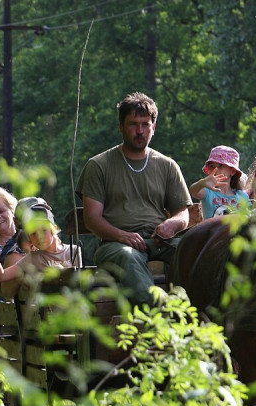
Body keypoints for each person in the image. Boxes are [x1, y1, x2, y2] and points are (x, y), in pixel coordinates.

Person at [75, 92, 191, 305]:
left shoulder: (167, 165)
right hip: (115, 244)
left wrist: (171, 225)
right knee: (129, 256)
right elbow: (92, 219)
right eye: (133, 124)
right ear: (121, 126)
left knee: (194, 250)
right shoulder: (99, 165)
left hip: (160, 240)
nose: (140, 131)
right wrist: (121, 235)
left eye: (145, 124)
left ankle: (201, 310)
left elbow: (182, 213)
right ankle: (156, 313)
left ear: (154, 127)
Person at [0, 201, 82, 298]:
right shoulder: (33, 258)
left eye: (43, 230)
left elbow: (80, 284)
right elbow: (1, 276)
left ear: (53, 228)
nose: (39, 237)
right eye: (33, 234)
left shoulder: (74, 251)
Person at [189, 145, 250, 218]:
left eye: (221, 166)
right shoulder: (208, 192)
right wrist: (202, 183)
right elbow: (192, 192)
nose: (216, 169)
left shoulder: (242, 196)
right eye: (212, 166)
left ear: (232, 171)